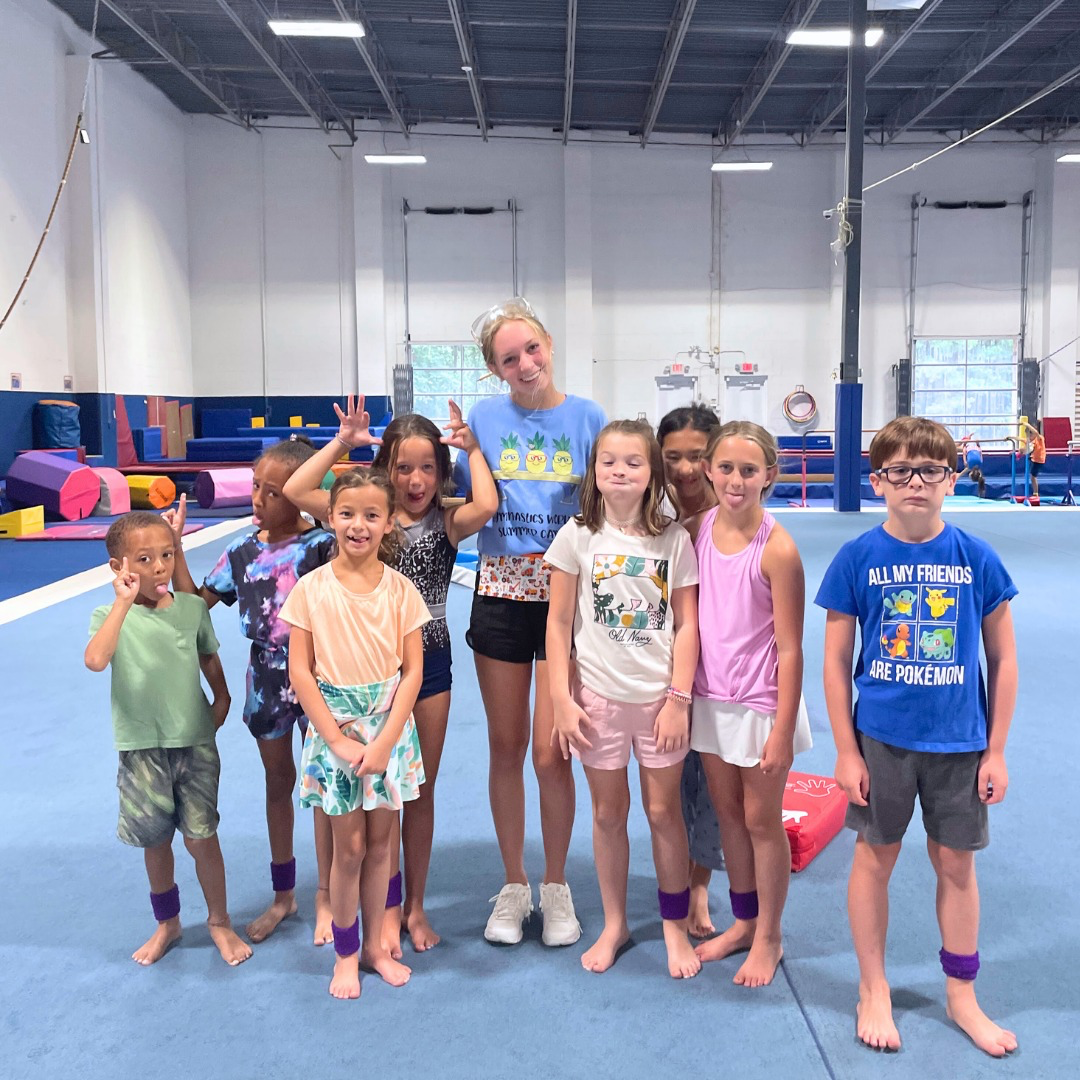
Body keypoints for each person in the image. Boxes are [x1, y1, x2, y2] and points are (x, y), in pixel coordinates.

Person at [816, 415, 1019, 1056]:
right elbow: (834, 662)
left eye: (930, 471)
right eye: (900, 471)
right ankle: (872, 985)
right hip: (881, 740)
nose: (915, 483)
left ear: (951, 480)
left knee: (956, 863)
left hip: (959, 742)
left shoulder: (977, 558)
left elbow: (1003, 659)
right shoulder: (857, 558)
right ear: (877, 481)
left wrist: (997, 748)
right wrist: (844, 749)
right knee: (875, 857)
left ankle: (962, 994)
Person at [283, 397, 498, 953]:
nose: (416, 479)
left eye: (428, 467)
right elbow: (296, 490)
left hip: (426, 667)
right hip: (357, 673)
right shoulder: (367, 513)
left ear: (441, 472)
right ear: (385, 469)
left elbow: (487, 504)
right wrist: (342, 443)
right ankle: (360, 903)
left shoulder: (446, 521)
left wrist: (472, 450)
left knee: (414, 790)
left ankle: (413, 905)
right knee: (349, 794)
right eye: (403, 467)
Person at [457, 297, 606, 946]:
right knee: (507, 745)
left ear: (549, 343)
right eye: (508, 358)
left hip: (566, 596)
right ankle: (514, 885)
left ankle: (556, 885)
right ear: (494, 370)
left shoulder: (588, 417)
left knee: (553, 752)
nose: (525, 364)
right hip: (500, 589)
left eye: (532, 349)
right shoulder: (484, 420)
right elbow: (467, 498)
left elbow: (610, 499)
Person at [546, 419, 701, 977]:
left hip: (659, 702)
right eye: (608, 461)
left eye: (633, 462)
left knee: (663, 812)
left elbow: (687, 624)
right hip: (598, 700)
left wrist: (679, 698)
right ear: (593, 471)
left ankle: (673, 925)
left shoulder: (673, 540)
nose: (619, 471)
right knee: (609, 814)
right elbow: (557, 623)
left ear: (652, 472)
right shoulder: (576, 536)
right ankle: (615, 923)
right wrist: (561, 699)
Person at [169, 438, 336, 945]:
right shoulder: (241, 551)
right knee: (277, 782)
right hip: (266, 676)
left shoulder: (323, 546)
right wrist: (176, 549)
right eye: (256, 486)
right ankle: (284, 894)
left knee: (326, 784)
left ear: (301, 493)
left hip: (321, 673)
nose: (259, 498)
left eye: (274, 491)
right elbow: (195, 605)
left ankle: (327, 893)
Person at [280, 469, 428, 1000]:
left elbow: (413, 671)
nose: (358, 525)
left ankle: (373, 949)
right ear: (329, 518)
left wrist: (386, 741)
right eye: (346, 514)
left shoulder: (401, 590)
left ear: (389, 523)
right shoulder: (310, 590)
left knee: (382, 844)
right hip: (336, 733)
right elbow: (301, 672)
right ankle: (345, 954)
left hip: (388, 731)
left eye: (371, 515)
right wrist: (336, 739)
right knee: (350, 849)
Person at [85, 512, 251, 968]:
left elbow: (207, 654)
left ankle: (219, 920)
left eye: (167, 554)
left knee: (202, 838)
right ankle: (168, 923)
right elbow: (96, 660)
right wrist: (122, 603)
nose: (159, 566)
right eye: (145, 559)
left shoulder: (192, 608)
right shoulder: (108, 616)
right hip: (140, 748)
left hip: (194, 743)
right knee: (155, 842)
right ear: (118, 567)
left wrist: (222, 697)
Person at [686, 420, 811, 987]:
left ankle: (770, 935)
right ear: (708, 471)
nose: (736, 480)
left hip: (761, 704)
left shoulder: (778, 549)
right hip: (711, 697)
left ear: (769, 476)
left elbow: (791, 647)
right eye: (726, 468)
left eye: (749, 470)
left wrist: (782, 730)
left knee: (762, 820)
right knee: (728, 815)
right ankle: (744, 921)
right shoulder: (697, 530)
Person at [658, 404, 725, 939]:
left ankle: (700, 881)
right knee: (675, 778)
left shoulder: (733, 519)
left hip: (726, 671)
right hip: (668, 667)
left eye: (697, 456)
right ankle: (678, 872)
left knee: (716, 783)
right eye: (672, 457)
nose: (684, 470)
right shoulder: (655, 519)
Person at [1019, 420, 1046, 504]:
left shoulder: (1039, 438)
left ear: (1033, 434)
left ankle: (1036, 493)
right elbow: (1020, 439)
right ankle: (1019, 454)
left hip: (1039, 460)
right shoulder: (1031, 441)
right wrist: (1010, 437)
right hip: (1034, 459)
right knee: (1024, 448)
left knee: (1033, 477)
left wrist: (1027, 424)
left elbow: (1036, 432)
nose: (1029, 437)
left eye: (1030, 435)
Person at [957, 435, 986, 499]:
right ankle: (967, 438)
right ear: (971, 474)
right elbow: (964, 452)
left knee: (956, 447)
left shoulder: (980, 464)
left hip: (974, 446)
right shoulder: (969, 465)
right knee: (955, 448)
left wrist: (978, 444)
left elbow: (980, 452)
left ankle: (968, 438)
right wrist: (965, 444)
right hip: (968, 445)